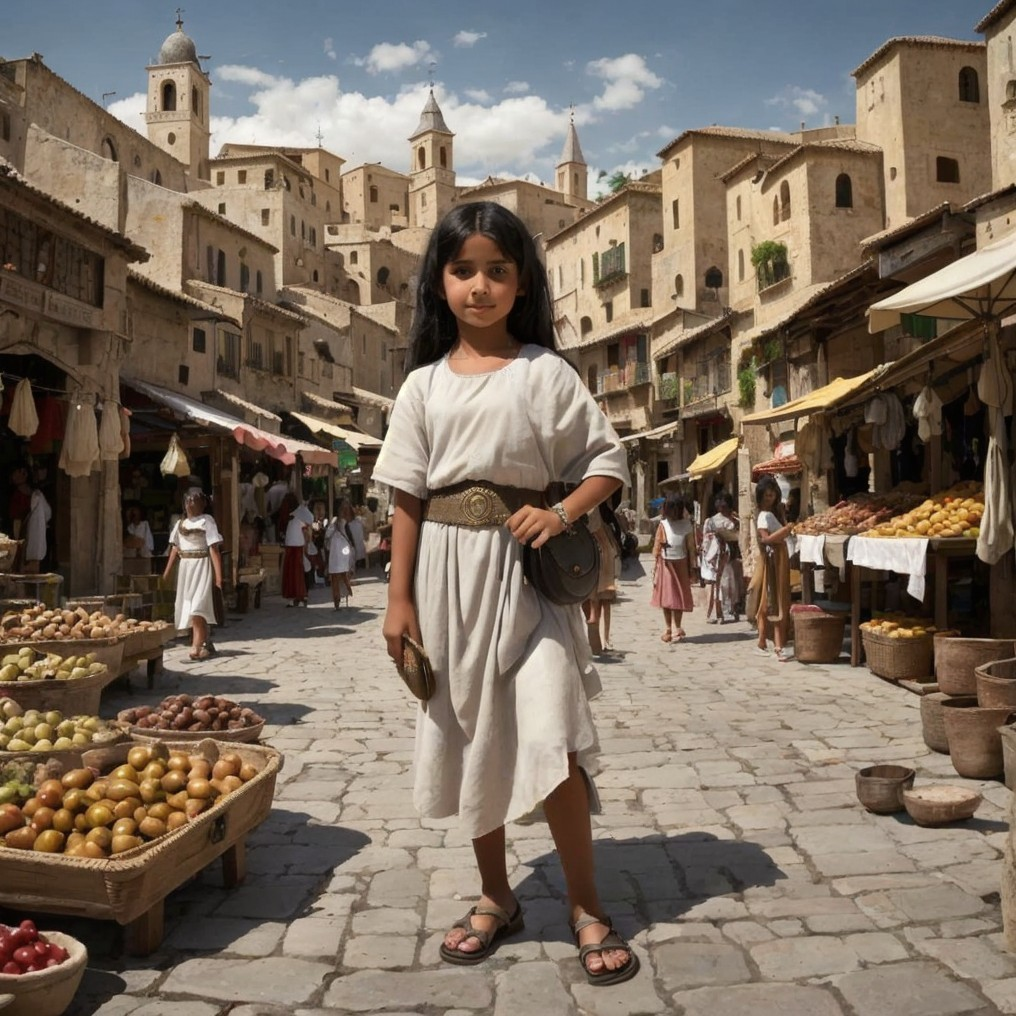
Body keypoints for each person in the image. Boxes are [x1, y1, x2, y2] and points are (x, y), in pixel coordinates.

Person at [374, 201, 637, 985]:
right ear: (440, 284)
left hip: (528, 583)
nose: (480, 286)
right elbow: (405, 500)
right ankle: (496, 895)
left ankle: (586, 905)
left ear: (521, 284)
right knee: (470, 735)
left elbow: (607, 461)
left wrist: (559, 511)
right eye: (463, 271)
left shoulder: (545, 372)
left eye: (497, 270)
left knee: (551, 733)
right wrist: (398, 603)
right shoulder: (420, 387)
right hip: (446, 581)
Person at [162, 489, 223, 661]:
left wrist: (218, 577)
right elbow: (175, 548)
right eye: (188, 500)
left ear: (202, 503)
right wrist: (166, 572)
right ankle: (202, 644)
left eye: (194, 500)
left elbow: (213, 549)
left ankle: (196, 646)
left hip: (201, 566)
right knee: (188, 606)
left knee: (198, 606)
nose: (190, 503)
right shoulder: (180, 523)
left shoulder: (207, 521)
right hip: (186, 569)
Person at [748, 476, 794, 662]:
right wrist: (786, 530)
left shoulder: (773, 513)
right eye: (767, 495)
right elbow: (765, 539)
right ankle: (778, 645)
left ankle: (764, 642)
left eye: (772, 495)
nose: (770, 498)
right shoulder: (763, 516)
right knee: (775, 602)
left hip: (779, 558)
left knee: (770, 602)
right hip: (773, 560)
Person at [649, 494, 696, 642]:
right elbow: (657, 545)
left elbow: (691, 547)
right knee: (668, 598)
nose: (674, 513)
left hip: (681, 563)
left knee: (679, 597)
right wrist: (654, 567)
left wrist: (694, 565)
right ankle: (668, 628)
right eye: (672, 509)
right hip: (666, 563)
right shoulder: (663, 524)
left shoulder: (687, 525)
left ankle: (678, 627)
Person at [584, 503, 622, 654]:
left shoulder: (592, 509)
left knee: (590, 600)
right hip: (604, 555)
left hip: (592, 555)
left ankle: (596, 641)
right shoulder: (602, 510)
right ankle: (601, 641)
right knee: (601, 602)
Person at [700, 492, 741, 624]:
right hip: (714, 558)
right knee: (717, 585)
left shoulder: (733, 521)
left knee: (730, 585)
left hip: (728, 557)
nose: (723, 509)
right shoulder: (711, 521)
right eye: (721, 506)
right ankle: (717, 613)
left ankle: (729, 611)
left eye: (725, 506)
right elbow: (705, 540)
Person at [282, 503, 313, 607]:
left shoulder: (290, 523)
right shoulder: (299, 522)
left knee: (290, 574)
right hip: (297, 548)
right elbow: (310, 519)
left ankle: (291, 599)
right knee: (298, 574)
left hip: (290, 548)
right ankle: (300, 597)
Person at [324, 508, 354, 609]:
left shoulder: (334, 522)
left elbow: (327, 535)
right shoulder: (345, 523)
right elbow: (350, 537)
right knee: (343, 575)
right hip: (343, 551)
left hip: (335, 552)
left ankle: (337, 601)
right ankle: (347, 592)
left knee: (335, 578)